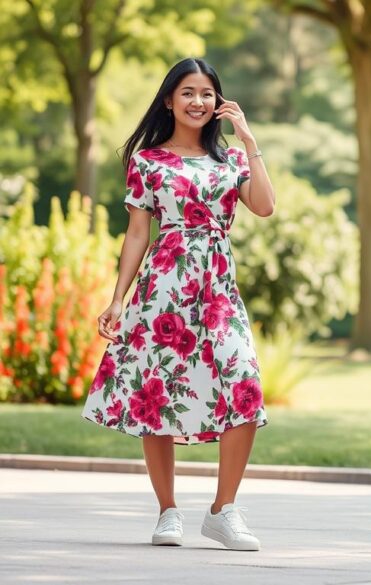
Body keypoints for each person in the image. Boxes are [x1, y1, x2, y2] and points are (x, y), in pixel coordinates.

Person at [82, 58, 276, 551]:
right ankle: (167, 511)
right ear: (169, 99)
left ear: (218, 102)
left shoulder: (231, 159)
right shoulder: (148, 161)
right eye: (187, 92)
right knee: (157, 394)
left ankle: (223, 509)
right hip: (163, 288)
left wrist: (249, 142)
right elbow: (137, 234)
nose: (198, 102)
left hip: (218, 290)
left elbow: (265, 205)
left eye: (207, 93)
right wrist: (117, 298)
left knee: (244, 385)